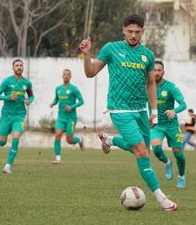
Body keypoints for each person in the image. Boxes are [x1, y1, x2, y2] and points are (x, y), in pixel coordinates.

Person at [80, 13, 178, 212]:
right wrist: (87, 54)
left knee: (144, 152)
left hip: (141, 110)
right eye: (130, 31)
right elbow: (90, 73)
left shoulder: (147, 55)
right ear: (123, 30)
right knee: (142, 152)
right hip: (120, 109)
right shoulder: (111, 49)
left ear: (143, 32)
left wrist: (154, 112)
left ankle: (109, 141)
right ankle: (162, 199)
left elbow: (150, 83)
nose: (133, 35)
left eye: (137, 32)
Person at [150, 61, 188, 188]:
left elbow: (183, 104)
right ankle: (167, 162)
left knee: (180, 156)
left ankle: (181, 176)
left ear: (163, 72)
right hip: (157, 126)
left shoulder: (171, 87)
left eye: (159, 70)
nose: (156, 72)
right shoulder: (147, 87)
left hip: (172, 126)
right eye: (154, 70)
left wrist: (174, 111)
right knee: (156, 148)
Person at [0, 59, 34, 174]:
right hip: (6, 116)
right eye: (17, 65)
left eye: (21, 65)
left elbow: (31, 96)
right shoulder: (7, 81)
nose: (19, 67)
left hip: (19, 116)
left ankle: (7, 166)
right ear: (13, 68)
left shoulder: (27, 83)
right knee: (2, 143)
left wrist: (29, 100)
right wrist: (8, 97)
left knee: (16, 137)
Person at [49, 69, 85, 164]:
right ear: (62, 76)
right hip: (61, 118)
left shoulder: (74, 89)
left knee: (69, 140)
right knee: (57, 135)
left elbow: (81, 101)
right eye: (64, 74)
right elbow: (56, 99)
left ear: (70, 76)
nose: (66, 76)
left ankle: (80, 139)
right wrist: (53, 103)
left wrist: (72, 107)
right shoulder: (58, 89)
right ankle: (58, 158)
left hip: (71, 118)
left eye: (68, 74)